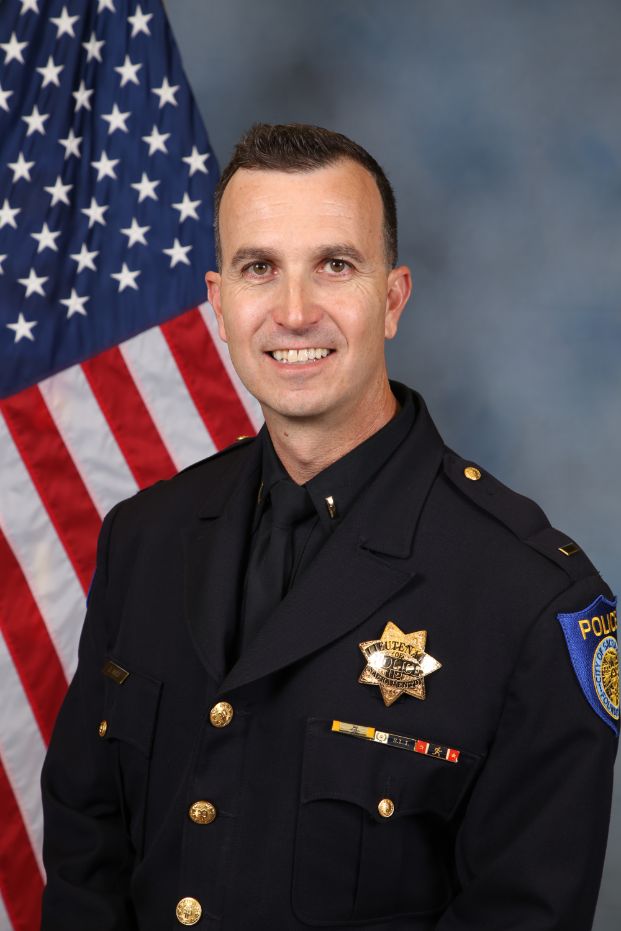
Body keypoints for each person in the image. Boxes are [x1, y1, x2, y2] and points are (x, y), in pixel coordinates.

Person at [41, 123, 618, 930]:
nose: (294, 311)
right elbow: (84, 847)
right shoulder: (146, 537)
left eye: (334, 266)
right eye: (258, 269)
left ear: (392, 298)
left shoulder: (529, 601)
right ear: (218, 301)